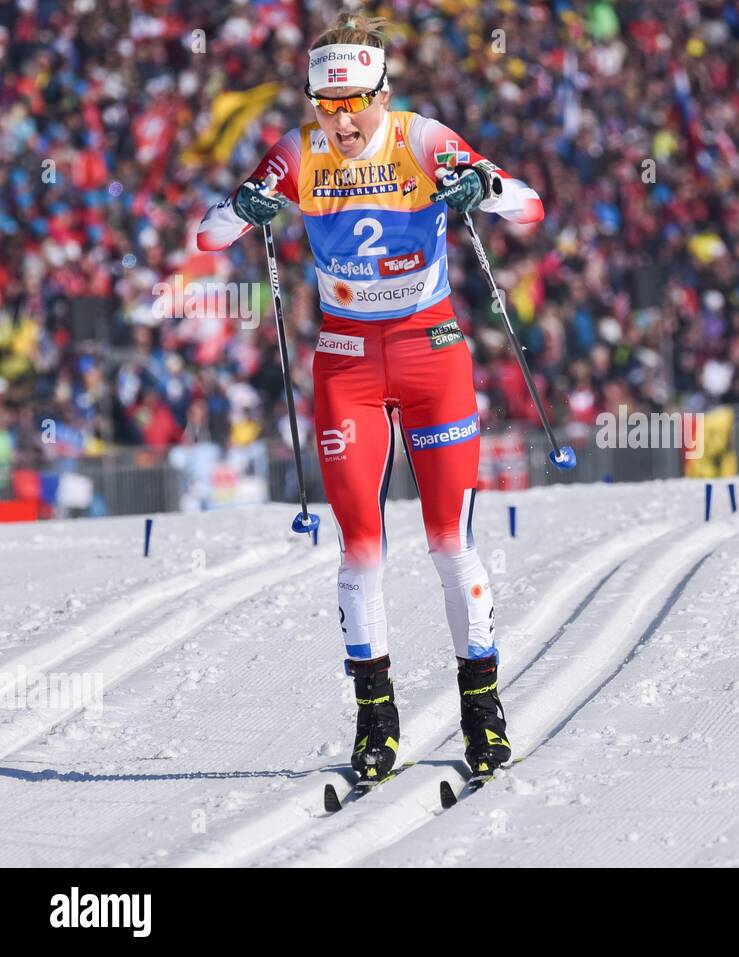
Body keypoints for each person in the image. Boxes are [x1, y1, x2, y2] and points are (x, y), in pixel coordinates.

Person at [197, 12, 544, 784]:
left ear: (382, 91)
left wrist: (481, 185)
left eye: (355, 102)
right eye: (327, 105)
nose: (343, 120)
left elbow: (529, 204)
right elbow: (207, 236)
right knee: (359, 548)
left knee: (449, 541)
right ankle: (375, 722)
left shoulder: (421, 138)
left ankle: (483, 711)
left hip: (431, 354)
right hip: (347, 362)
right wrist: (242, 209)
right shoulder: (298, 150)